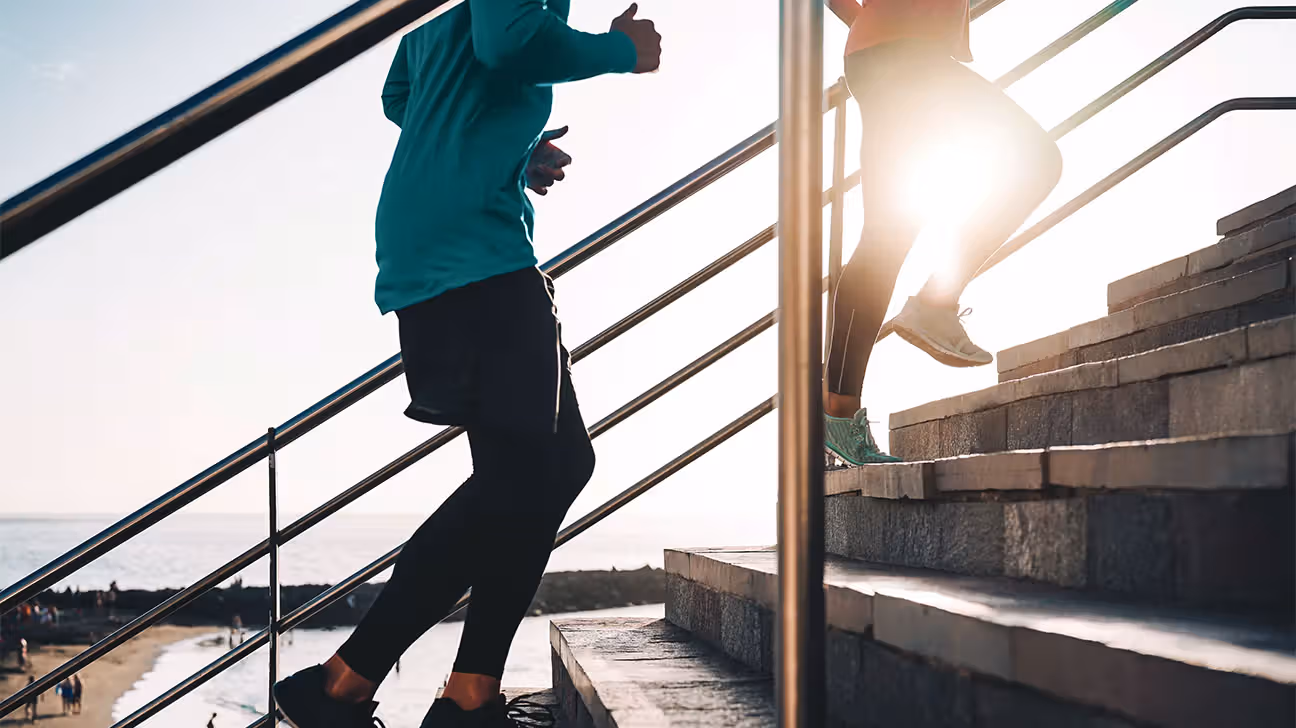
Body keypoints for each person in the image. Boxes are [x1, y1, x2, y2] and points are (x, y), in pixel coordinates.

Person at [272, 3, 661, 728]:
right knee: (531, 473)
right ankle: (346, 685)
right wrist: (620, 49)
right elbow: (508, 42)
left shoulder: (433, 18)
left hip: (440, 248)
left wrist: (508, 149)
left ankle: (462, 692)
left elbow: (403, 92)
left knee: (549, 467)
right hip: (473, 256)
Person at [821, 0, 1063, 464]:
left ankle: (839, 413)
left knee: (888, 233)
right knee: (1035, 160)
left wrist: (870, 24)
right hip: (908, 56)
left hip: (889, 53)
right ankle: (935, 303)